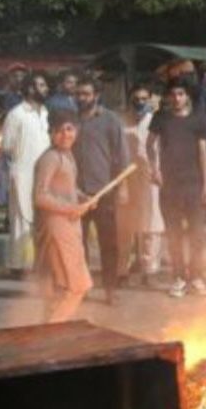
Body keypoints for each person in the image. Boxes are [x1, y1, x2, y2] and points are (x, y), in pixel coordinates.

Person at [148, 78, 206, 299]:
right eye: (173, 94)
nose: (177, 98)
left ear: (188, 97)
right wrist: (154, 169)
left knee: (196, 234)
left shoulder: (198, 120)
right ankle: (178, 277)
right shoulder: (160, 119)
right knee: (173, 233)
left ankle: (196, 276)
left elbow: (203, 153)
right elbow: (149, 144)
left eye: (181, 94)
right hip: (169, 185)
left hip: (193, 184)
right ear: (168, 97)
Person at [34, 111, 95, 322]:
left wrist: (82, 197)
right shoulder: (50, 158)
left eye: (69, 129)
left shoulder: (66, 155)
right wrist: (71, 209)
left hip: (68, 226)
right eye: (58, 130)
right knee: (75, 287)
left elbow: (66, 187)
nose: (64, 134)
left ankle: (49, 333)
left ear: (76, 131)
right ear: (51, 133)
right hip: (57, 227)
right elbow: (40, 197)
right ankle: (51, 333)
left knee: (61, 288)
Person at [74, 76, 130, 306]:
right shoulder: (71, 120)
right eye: (78, 94)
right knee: (79, 244)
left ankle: (110, 289)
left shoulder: (110, 120)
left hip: (104, 191)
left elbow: (122, 155)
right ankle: (82, 286)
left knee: (109, 244)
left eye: (86, 94)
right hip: (76, 193)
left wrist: (123, 187)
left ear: (96, 95)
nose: (81, 98)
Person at [117, 83, 164, 286]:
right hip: (127, 178)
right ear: (130, 100)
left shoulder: (155, 121)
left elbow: (162, 151)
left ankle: (149, 270)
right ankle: (122, 271)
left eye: (144, 99)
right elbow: (117, 154)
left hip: (151, 177)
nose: (140, 102)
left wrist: (158, 172)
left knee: (151, 226)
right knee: (125, 226)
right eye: (136, 98)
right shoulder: (121, 122)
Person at [3, 73, 50, 274]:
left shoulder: (46, 113)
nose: (45, 88)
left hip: (44, 175)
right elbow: (7, 146)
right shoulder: (16, 114)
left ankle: (38, 265)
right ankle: (17, 266)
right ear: (30, 89)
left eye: (45, 85)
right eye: (41, 85)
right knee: (20, 220)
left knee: (41, 220)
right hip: (22, 173)